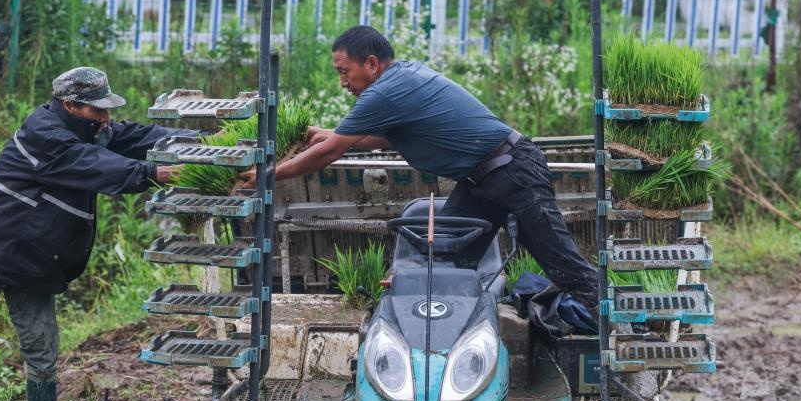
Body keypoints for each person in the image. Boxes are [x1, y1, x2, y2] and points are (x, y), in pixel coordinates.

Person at [237, 25, 598, 316]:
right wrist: (334, 135)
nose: (342, 82)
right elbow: (379, 139)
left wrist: (269, 175)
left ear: (372, 64)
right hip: (481, 181)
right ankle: (444, 338)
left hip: (513, 171)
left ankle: (618, 332)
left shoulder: (384, 93)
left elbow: (328, 155)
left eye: (344, 72)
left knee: (561, 262)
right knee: (442, 259)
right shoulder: (400, 79)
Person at [0, 67, 189, 401]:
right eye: (96, 111)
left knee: (42, 355)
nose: (105, 119)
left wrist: (196, 145)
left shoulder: (91, 130)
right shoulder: (44, 133)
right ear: (70, 106)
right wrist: (152, 173)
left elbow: (132, 136)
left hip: (35, 265)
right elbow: (92, 165)